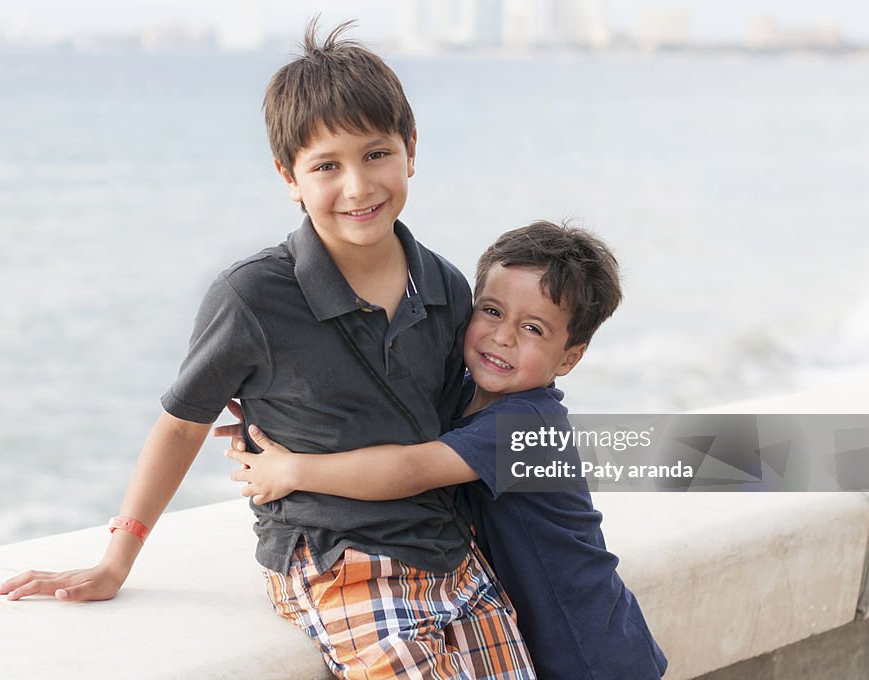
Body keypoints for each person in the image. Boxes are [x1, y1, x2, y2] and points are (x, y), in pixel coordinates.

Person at [0, 19, 537, 680]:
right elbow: (182, 424)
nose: (358, 187)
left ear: (411, 149)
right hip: (335, 561)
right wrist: (117, 559)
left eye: (375, 155)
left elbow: (468, 424)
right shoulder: (254, 295)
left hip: (449, 551)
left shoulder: (446, 285)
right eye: (326, 166)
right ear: (289, 175)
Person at [226, 221, 669, 679]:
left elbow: (409, 468)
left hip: (589, 651)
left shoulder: (528, 422)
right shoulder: (457, 392)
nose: (503, 337)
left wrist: (294, 470)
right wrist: (279, 419)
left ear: (567, 359)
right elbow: (374, 416)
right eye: (492, 311)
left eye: (533, 328)